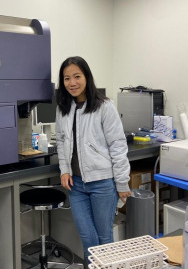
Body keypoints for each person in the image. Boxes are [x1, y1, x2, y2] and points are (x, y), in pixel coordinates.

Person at [55, 56, 131, 268]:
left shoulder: (104, 106)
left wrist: (122, 182)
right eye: (67, 78)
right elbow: (61, 141)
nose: (72, 83)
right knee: (88, 238)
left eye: (77, 76)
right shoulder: (63, 108)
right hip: (76, 185)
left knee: (104, 238)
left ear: (87, 77)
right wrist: (64, 170)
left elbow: (117, 144)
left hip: (103, 183)